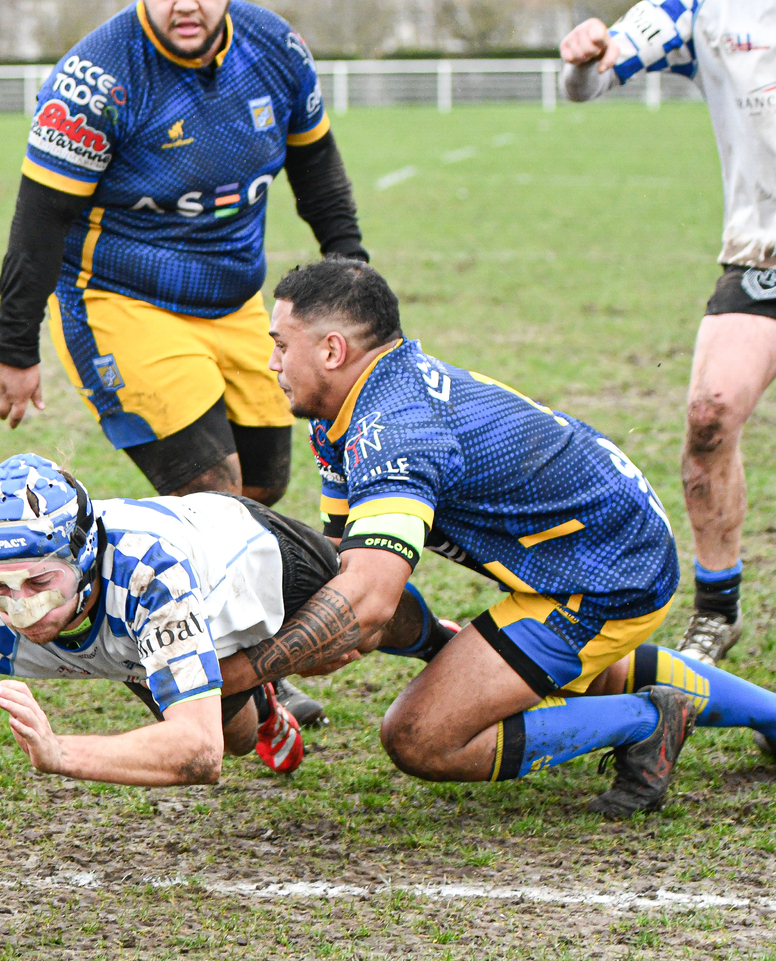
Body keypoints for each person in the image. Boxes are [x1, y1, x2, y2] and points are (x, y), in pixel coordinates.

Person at [249, 259, 776, 818]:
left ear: (332, 351)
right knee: (582, 668)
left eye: (281, 344)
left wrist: (253, 668)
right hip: (600, 542)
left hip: (608, 573)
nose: (272, 362)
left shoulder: (394, 431)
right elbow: (345, 567)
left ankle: (648, 721)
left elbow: (369, 600)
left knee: (420, 736)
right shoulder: (347, 407)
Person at [0, 0, 365, 726]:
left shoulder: (274, 46)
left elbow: (316, 168)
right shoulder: (97, 78)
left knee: (263, 488)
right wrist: (14, 344)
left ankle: (233, 651)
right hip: (121, 301)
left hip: (235, 304)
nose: (185, 3)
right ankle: (175, 658)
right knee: (209, 489)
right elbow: (41, 216)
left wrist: (350, 271)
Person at [0, 454, 446, 866]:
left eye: (40, 581)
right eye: (2, 587)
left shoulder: (146, 573)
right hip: (142, 644)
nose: (21, 608)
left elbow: (191, 755)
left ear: (84, 554)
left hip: (248, 560)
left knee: (366, 626)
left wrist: (61, 753)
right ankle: (263, 711)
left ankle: (444, 642)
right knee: (232, 738)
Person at [561, 1, 776, 668]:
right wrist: (582, 56)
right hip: (762, 258)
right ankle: (718, 610)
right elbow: (588, 85)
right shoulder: (697, 11)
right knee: (709, 416)